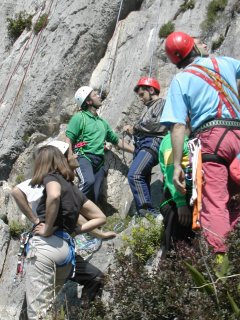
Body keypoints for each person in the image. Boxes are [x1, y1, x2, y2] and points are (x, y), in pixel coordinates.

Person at [11, 141, 116, 317]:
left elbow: (53, 195)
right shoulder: (74, 190)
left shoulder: (50, 178)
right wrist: (75, 231)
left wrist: (45, 226)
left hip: (45, 247)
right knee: (47, 310)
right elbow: (100, 217)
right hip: (66, 250)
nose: (74, 155)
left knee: (38, 313)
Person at [160, 31, 240, 253]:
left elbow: (176, 126)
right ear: (193, 48)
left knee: (214, 202)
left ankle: (222, 265)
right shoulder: (224, 63)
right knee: (234, 194)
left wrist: (177, 165)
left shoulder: (181, 80)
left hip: (211, 140)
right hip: (238, 134)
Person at [65, 86, 134, 203]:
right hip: (83, 156)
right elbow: (69, 138)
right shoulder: (79, 118)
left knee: (94, 196)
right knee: (88, 181)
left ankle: (86, 219)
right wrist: (70, 157)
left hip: (99, 161)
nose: (99, 96)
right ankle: (70, 209)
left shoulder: (102, 123)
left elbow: (116, 141)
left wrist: (134, 150)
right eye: (95, 95)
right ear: (88, 101)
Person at [123, 77, 167, 217]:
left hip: (153, 142)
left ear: (151, 90)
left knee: (135, 174)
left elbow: (154, 123)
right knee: (142, 177)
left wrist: (134, 128)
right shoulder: (148, 108)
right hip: (144, 144)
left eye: (142, 94)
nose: (141, 99)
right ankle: (145, 213)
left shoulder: (161, 103)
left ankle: (147, 211)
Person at [159, 126, 194, 258]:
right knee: (177, 252)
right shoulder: (171, 140)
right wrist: (180, 203)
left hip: (184, 199)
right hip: (175, 202)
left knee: (187, 249)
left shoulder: (188, 140)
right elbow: (171, 171)